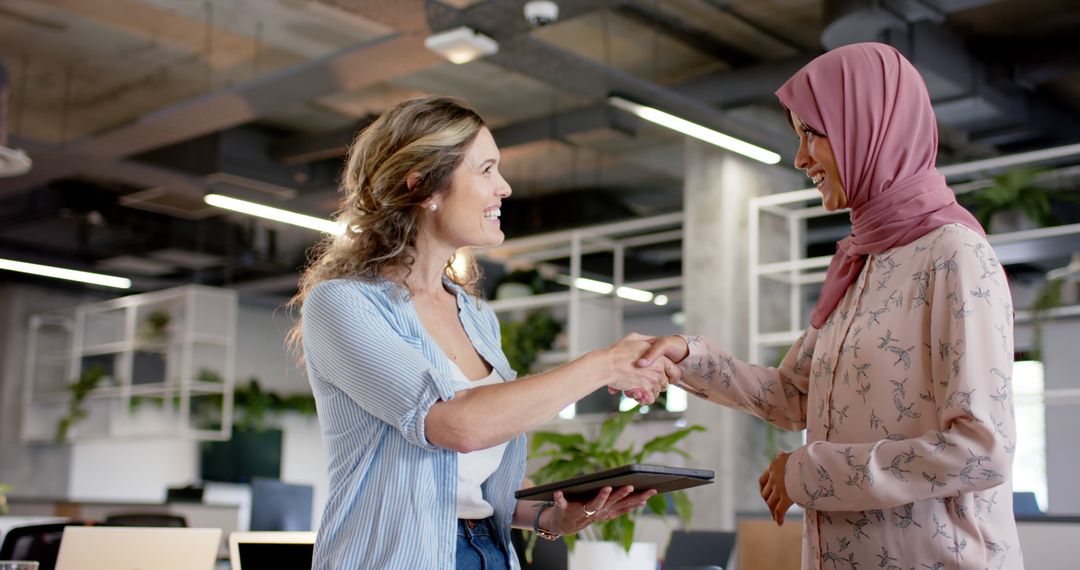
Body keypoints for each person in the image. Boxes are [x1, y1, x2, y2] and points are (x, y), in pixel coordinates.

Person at [638, 42, 1024, 569]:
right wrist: (687, 357)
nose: (799, 158)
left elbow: (981, 451)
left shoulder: (953, 254)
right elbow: (793, 396)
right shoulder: (862, 263)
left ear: (870, 127)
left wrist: (809, 473)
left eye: (812, 134)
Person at [287, 96, 667, 570]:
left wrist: (553, 517)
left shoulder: (477, 318)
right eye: (486, 169)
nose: (504, 188)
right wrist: (603, 364)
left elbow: (475, 488)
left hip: (487, 552)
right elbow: (457, 426)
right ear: (424, 185)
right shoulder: (343, 303)